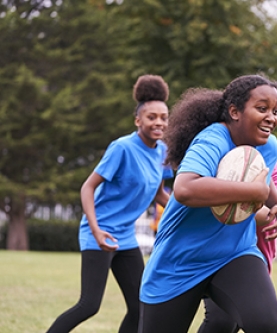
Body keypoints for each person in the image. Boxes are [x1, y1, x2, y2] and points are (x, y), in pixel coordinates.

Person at [138, 74, 277, 333]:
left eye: (275, 111)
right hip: (181, 259)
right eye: (262, 109)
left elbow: (261, 174)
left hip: (234, 253)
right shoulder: (213, 139)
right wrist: (253, 191)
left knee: (265, 323)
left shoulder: (269, 145)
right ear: (234, 111)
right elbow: (185, 189)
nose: (271, 118)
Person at [46, 75, 171, 333]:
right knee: (89, 305)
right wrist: (95, 230)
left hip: (125, 237)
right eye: (151, 117)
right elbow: (87, 187)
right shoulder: (122, 148)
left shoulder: (162, 151)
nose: (158, 122)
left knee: (140, 306)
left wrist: (186, 211)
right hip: (99, 231)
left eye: (163, 117)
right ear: (138, 120)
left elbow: (158, 193)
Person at [197, 162, 277, 333]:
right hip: (222, 257)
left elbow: (267, 215)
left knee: (246, 323)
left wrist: (226, 200)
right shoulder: (228, 161)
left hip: (255, 260)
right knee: (221, 322)